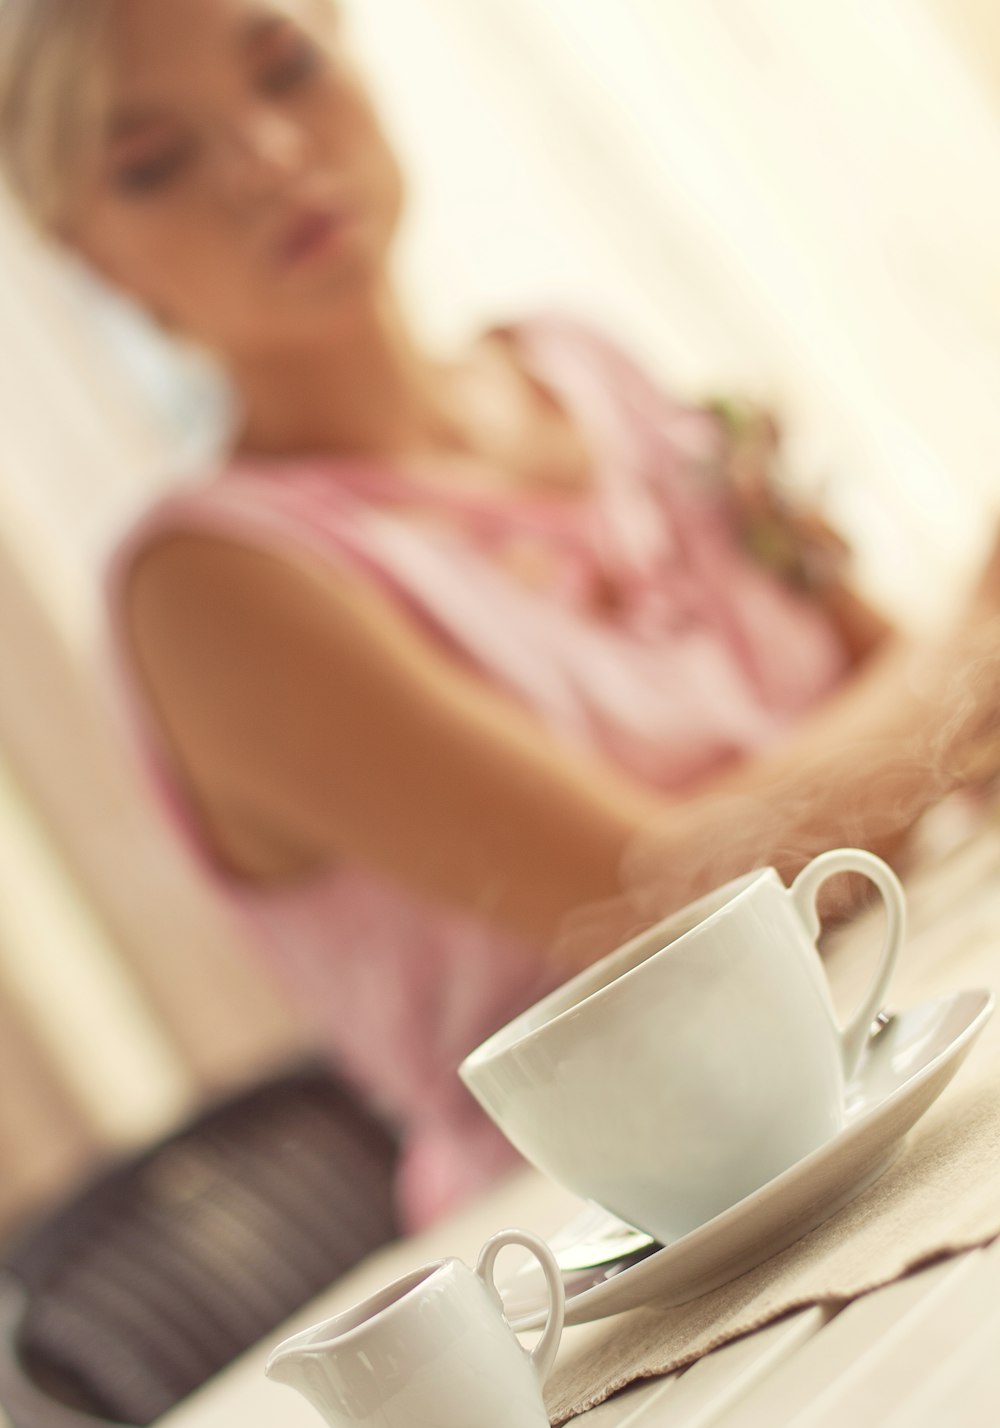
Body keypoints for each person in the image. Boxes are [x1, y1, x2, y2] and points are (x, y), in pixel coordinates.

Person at [2, 0, 998, 1229]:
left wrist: (958, 677)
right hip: (640, 1228)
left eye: (288, 69)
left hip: (916, 1030)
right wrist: (970, 653)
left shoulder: (584, 371)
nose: (267, 155)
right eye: (153, 162)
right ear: (94, 258)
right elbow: (673, 909)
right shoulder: (208, 588)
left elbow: (949, 733)